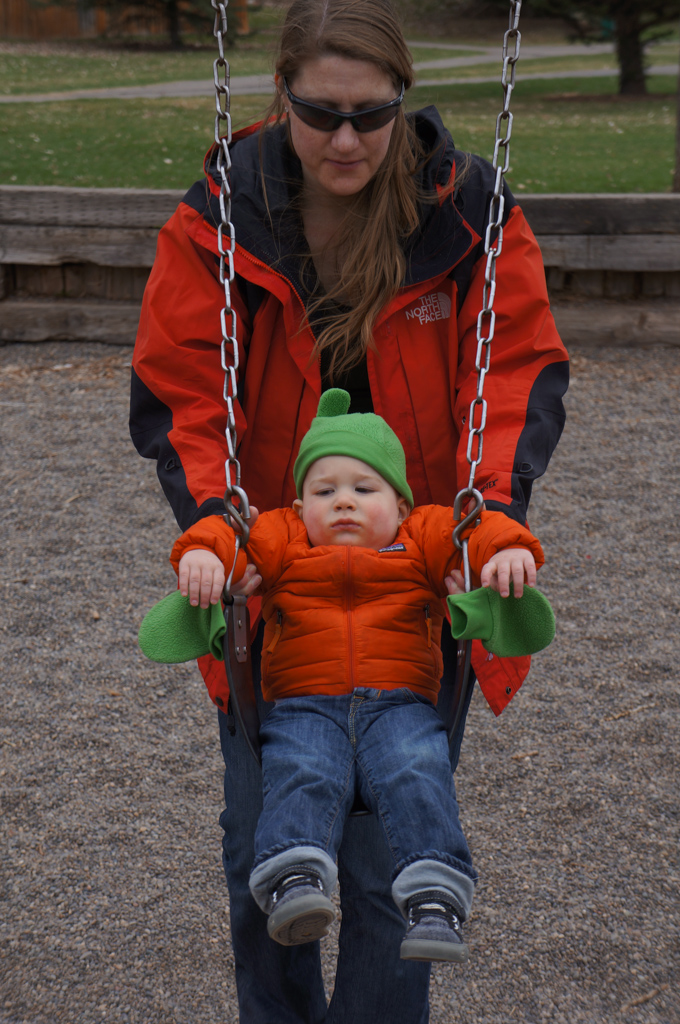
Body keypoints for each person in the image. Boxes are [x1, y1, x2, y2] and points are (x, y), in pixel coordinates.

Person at [129, 0, 569, 1019]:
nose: (345, 139)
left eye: (370, 115)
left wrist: (487, 520)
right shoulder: (222, 219)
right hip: (272, 569)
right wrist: (217, 523)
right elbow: (185, 385)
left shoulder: (465, 214)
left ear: (401, 103)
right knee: (262, 843)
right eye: (319, 112)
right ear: (280, 97)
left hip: (416, 571)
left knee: (386, 857)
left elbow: (510, 372)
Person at [151, 388, 549, 963]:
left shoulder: (422, 534)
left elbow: (477, 531)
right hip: (305, 702)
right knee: (300, 768)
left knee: (417, 768)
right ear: (299, 504)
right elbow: (232, 540)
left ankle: (435, 895)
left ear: (401, 505)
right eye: (324, 491)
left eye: (364, 490)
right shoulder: (285, 536)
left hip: (400, 703)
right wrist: (206, 557)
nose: (343, 502)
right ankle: (295, 878)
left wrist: (505, 550)